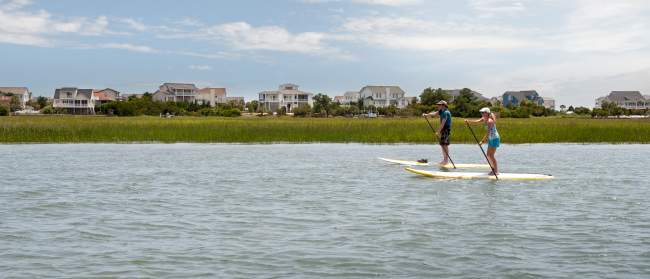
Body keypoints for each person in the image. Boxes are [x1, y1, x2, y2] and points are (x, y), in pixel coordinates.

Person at [465, 107, 500, 175]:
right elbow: (476, 122)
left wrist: (482, 141)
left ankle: (496, 171)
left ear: (487, 113)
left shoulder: (490, 121)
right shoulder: (484, 119)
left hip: (495, 138)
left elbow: (488, 133)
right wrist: (468, 121)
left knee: (491, 155)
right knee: (488, 155)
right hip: (491, 139)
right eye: (481, 112)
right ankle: (493, 169)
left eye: (483, 112)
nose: (482, 113)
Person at [422, 100, 452, 165]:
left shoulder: (445, 113)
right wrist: (426, 115)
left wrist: (438, 132)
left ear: (443, 106)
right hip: (443, 129)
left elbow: (443, 123)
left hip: (446, 129)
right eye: (438, 105)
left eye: (439, 105)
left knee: (445, 144)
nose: (438, 106)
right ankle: (444, 160)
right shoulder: (441, 111)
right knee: (442, 144)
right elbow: (434, 114)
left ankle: (446, 161)